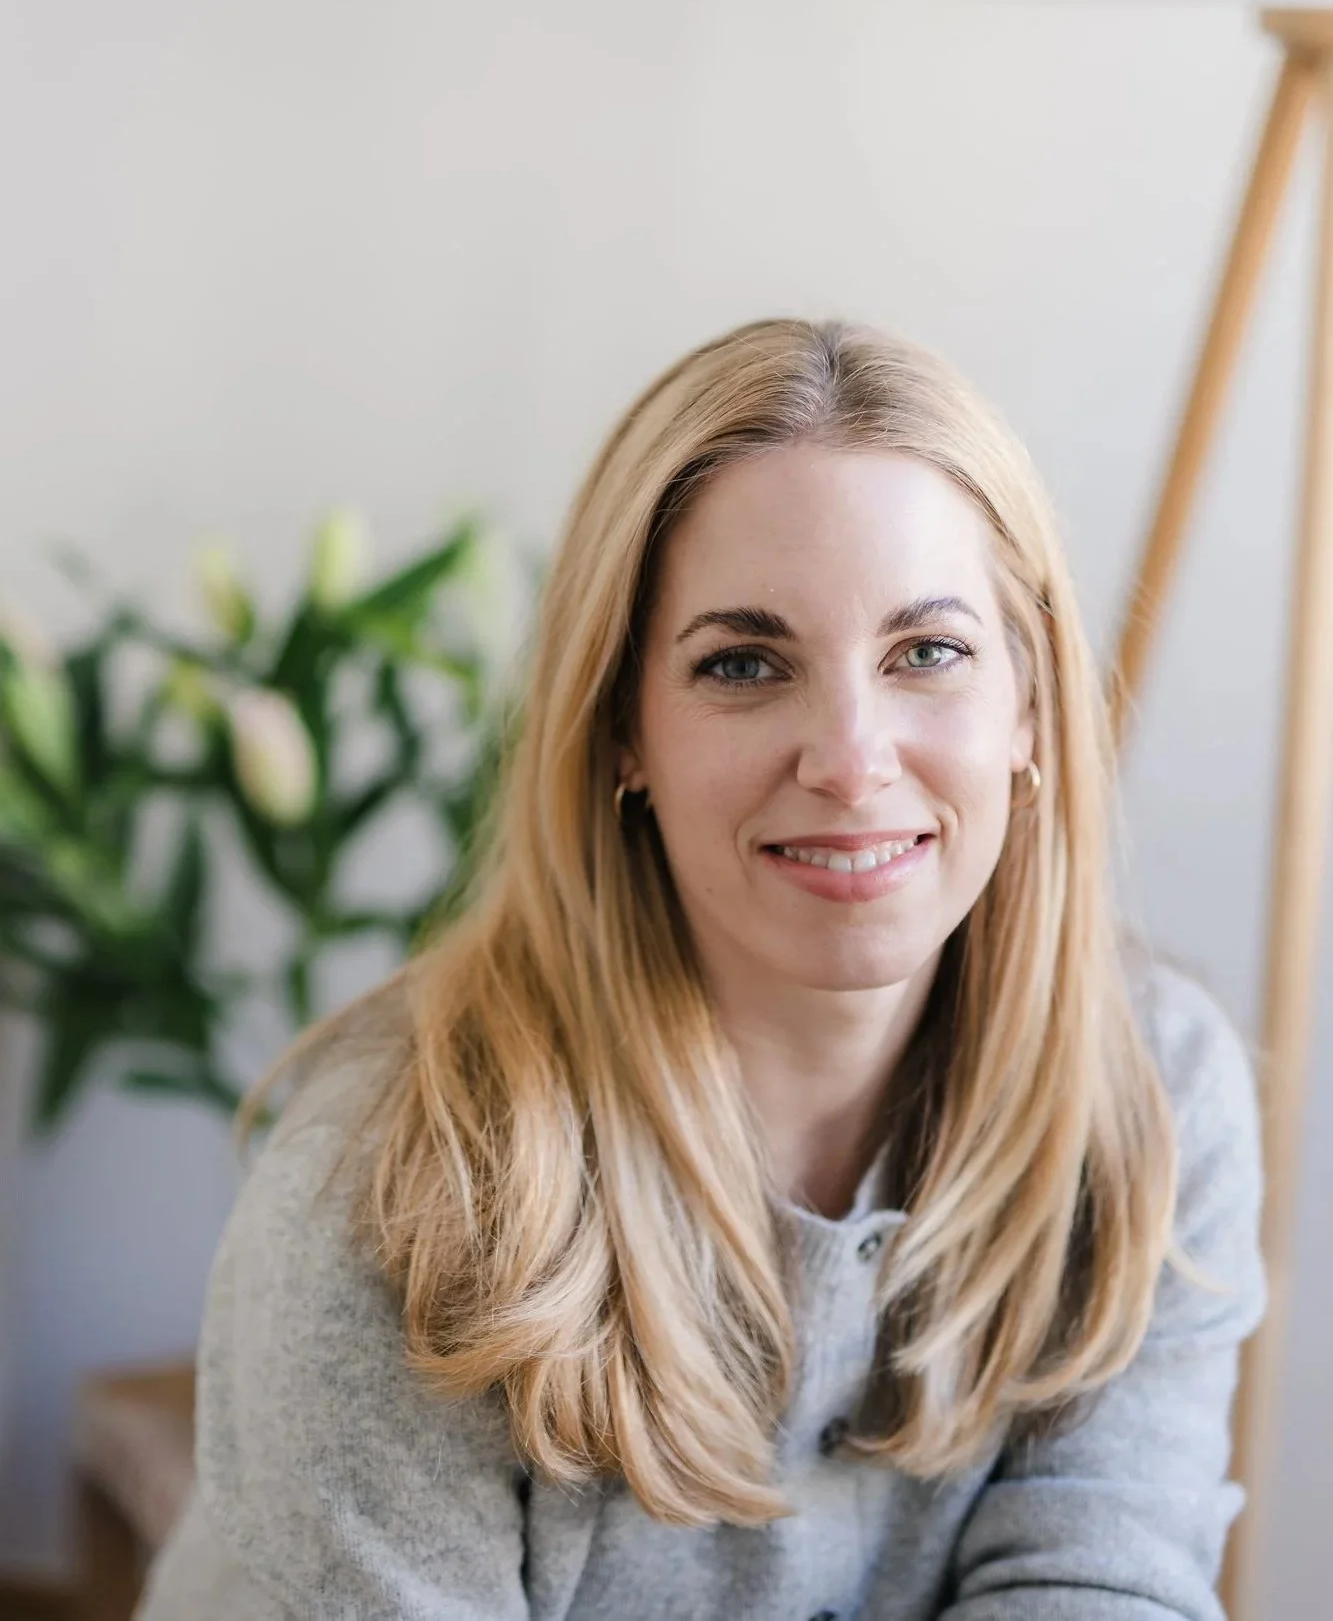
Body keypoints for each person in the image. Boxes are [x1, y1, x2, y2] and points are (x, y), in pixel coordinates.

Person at [136, 319, 1264, 1621]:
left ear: (1028, 702)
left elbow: (1096, 1582)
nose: (850, 759)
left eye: (928, 652)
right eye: (743, 663)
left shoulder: (1157, 1092)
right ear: (624, 729)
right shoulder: (390, 1176)